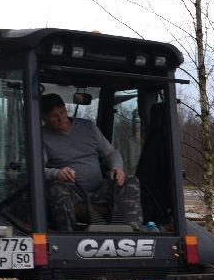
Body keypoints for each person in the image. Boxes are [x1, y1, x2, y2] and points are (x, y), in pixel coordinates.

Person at [41, 93, 142, 231]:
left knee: (131, 181)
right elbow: (38, 170)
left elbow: (111, 153)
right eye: (54, 116)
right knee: (56, 189)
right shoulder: (41, 137)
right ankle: (69, 236)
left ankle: (132, 230)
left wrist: (117, 168)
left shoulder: (87, 127)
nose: (61, 118)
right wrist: (57, 173)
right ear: (44, 118)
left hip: (99, 189)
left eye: (62, 112)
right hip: (72, 192)